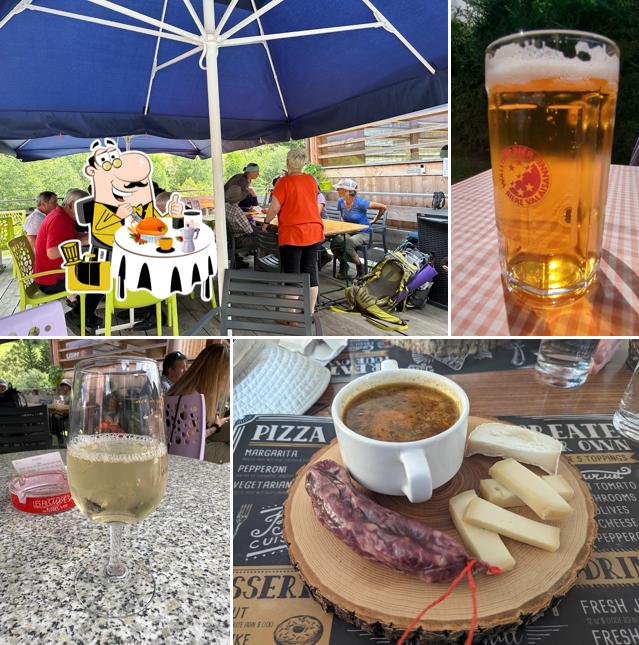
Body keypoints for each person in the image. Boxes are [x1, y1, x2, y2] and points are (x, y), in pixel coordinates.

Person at [263, 149, 324, 314]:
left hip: (293, 234)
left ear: (287, 163)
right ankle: (309, 312)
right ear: (304, 164)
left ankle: (291, 315)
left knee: (292, 275)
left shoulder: (283, 182)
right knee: (311, 271)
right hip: (313, 230)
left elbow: (274, 207)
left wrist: (266, 222)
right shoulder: (311, 180)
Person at [33, 188, 104, 330]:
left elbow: (70, 236)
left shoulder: (62, 216)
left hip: (54, 273)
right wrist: (84, 241)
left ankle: (86, 314)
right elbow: (52, 252)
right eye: (84, 207)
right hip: (51, 280)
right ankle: (76, 316)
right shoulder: (58, 219)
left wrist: (91, 237)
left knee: (96, 271)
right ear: (72, 204)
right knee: (100, 279)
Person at [167, 344, 230, 462]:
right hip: (188, 454)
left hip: (175, 447)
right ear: (217, 374)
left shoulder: (181, 388)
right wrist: (215, 427)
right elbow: (193, 442)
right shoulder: (192, 396)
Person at [329, 178, 387, 278]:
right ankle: (344, 268)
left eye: (339, 188)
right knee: (335, 242)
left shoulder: (360, 203)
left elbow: (383, 207)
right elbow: (342, 216)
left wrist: (374, 220)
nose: (337, 190)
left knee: (347, 243)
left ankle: (361, 269)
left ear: (347, 190)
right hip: (349, 231)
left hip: (364, 233)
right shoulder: (340, 202)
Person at [225, 185, 256, 269]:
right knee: (263, 239)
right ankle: (262, 265)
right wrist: (253, 223)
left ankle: (237, 260)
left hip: (231, 238)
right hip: (240, 240)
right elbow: (249, 231)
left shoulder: (226, 206)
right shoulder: (237, 210)